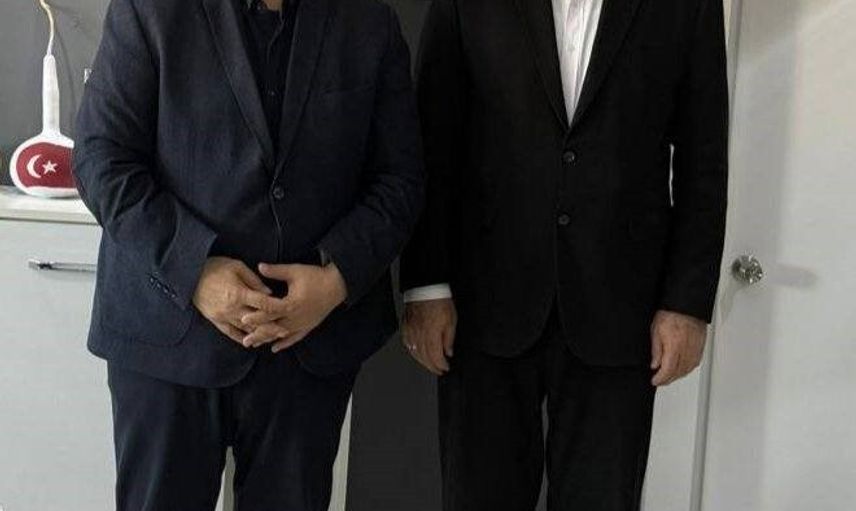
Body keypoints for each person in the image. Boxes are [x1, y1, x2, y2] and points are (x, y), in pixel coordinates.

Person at [72, 0, 423, 509]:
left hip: (307, 347)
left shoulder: (369, 20)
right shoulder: (149, 9)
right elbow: (101, 158)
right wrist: (195, 270)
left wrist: (336, 280)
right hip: (168, 335)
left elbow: (400, 178)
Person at [400, 0, 728, 509]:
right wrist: (426, 285)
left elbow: (704, 158)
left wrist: (686, 303)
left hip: (620, 307)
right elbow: (433, 134)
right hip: (484, 301)